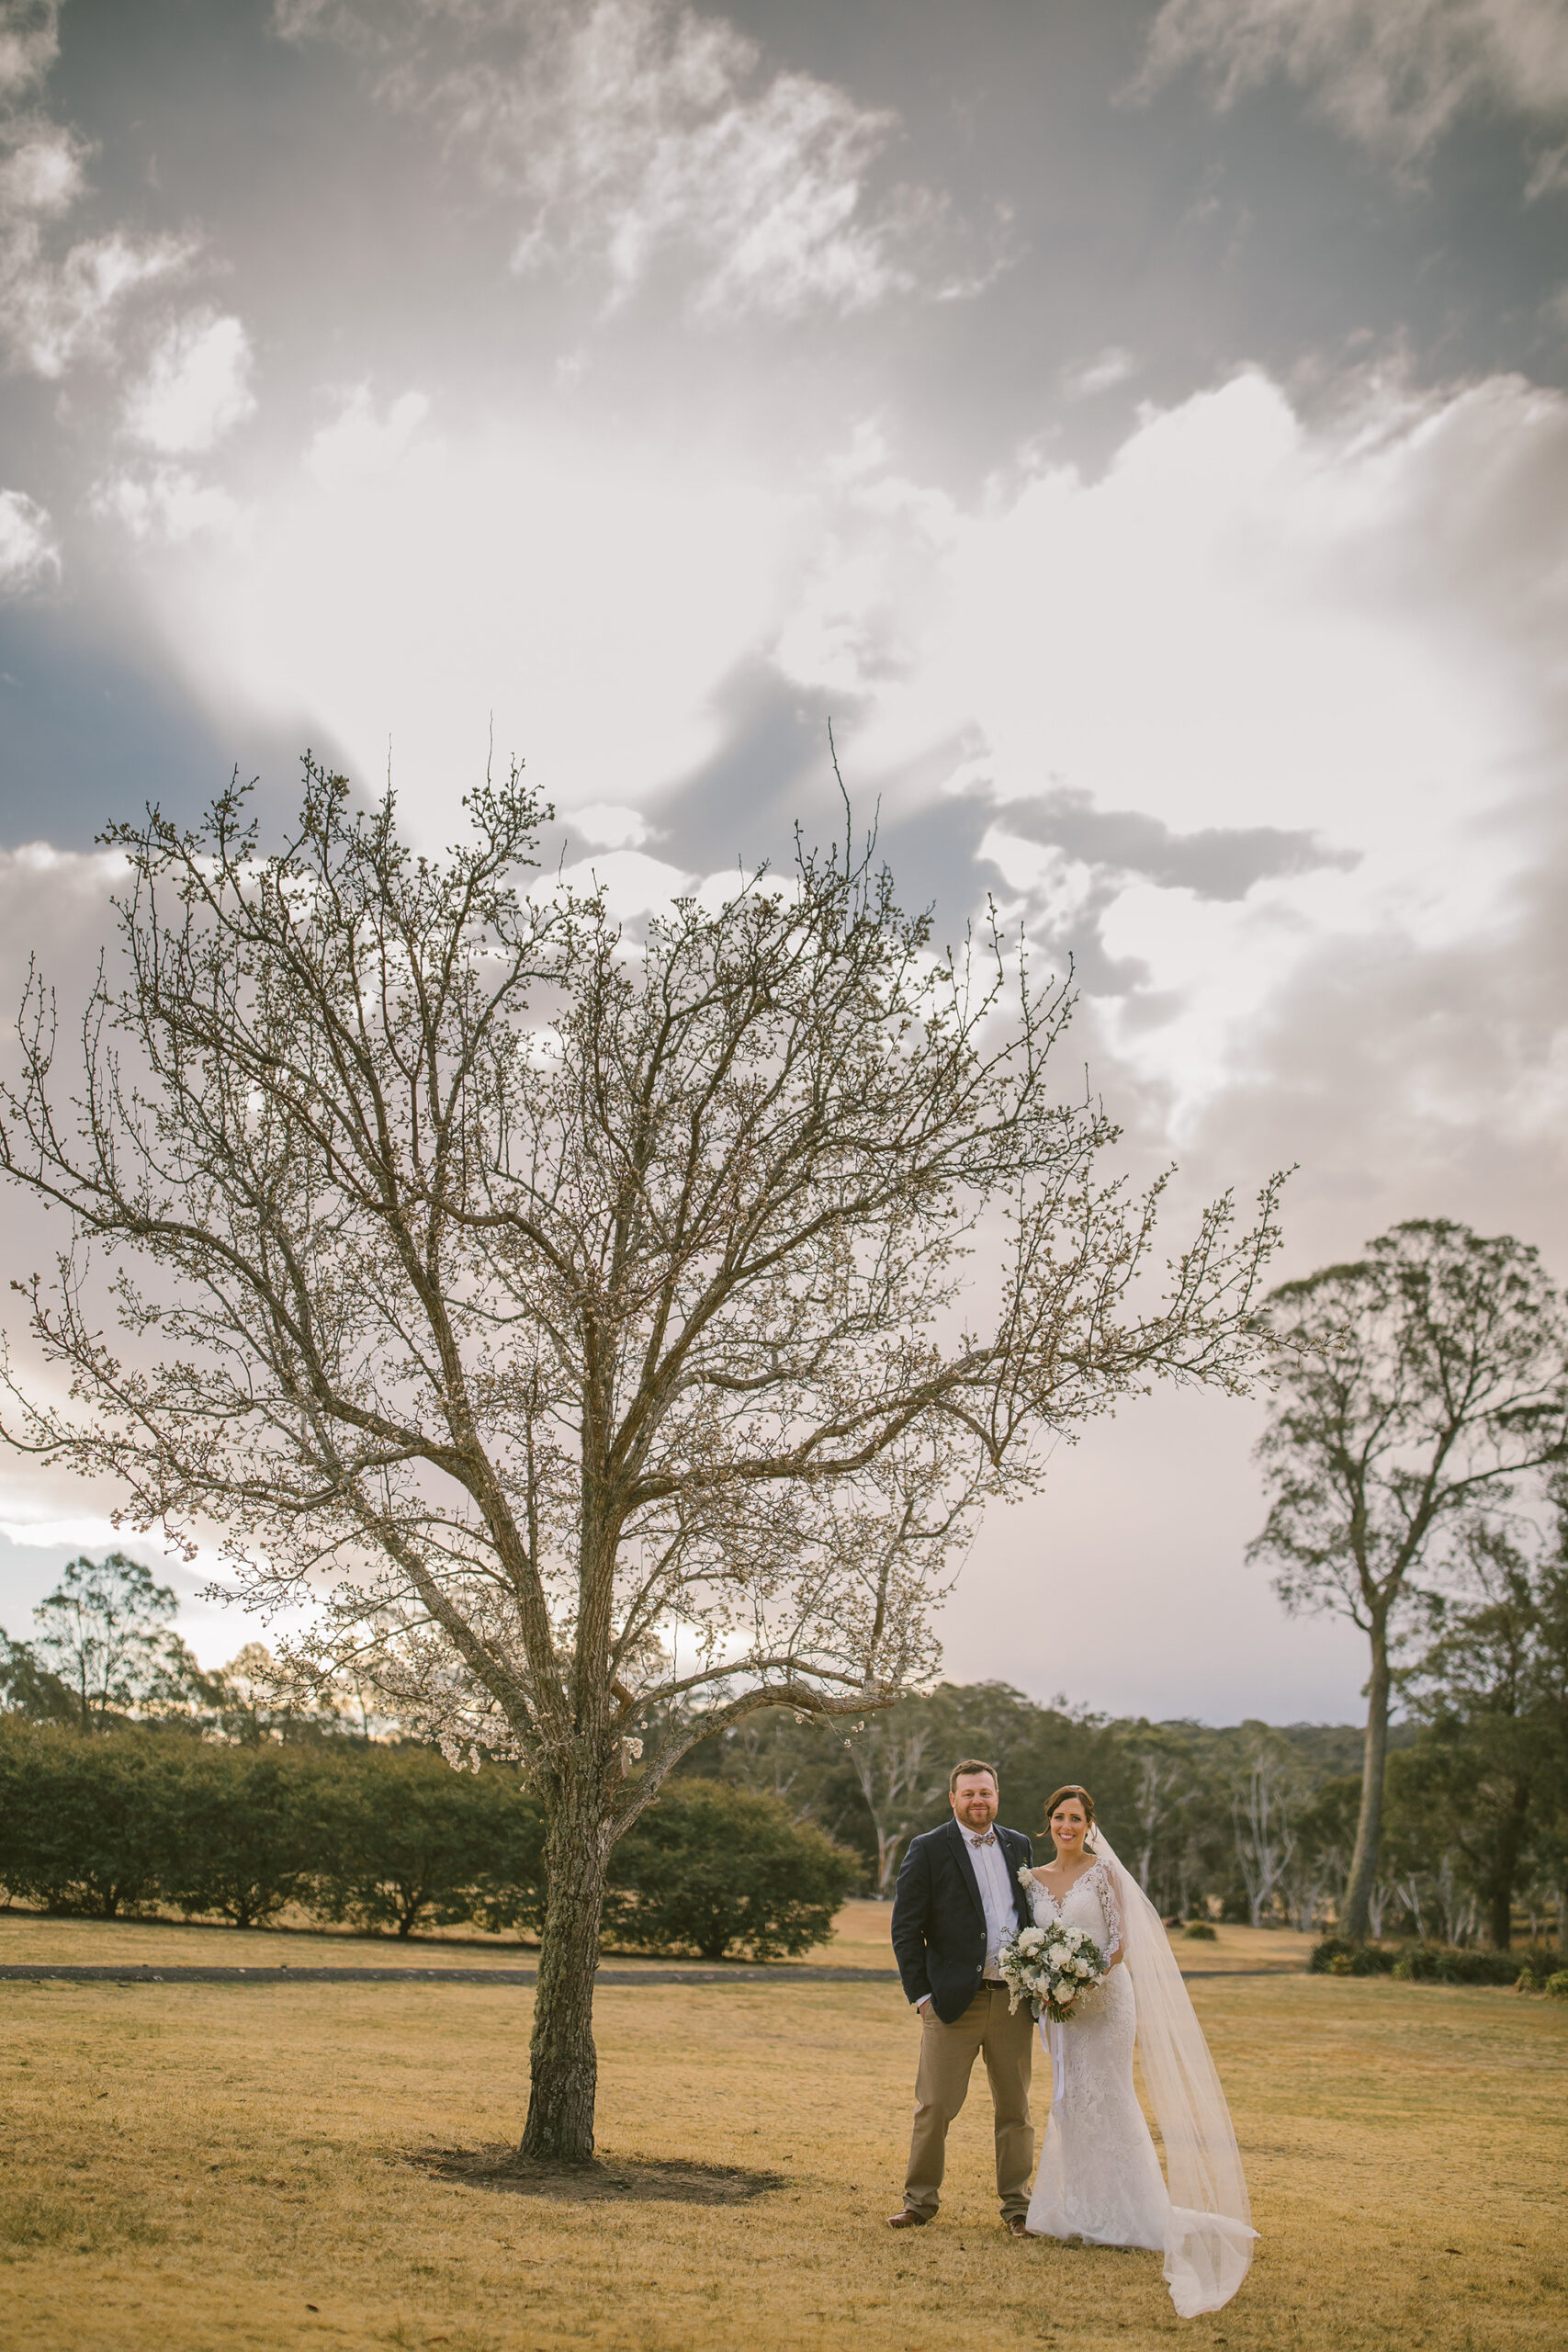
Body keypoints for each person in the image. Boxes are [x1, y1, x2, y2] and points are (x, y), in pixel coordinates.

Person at [1021, 1784, 1256, 2318]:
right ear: (1047, 1822)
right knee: (1070, 2099)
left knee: (1109, 2094)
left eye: (1076, 1818)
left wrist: (1082, 1980)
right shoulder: (1031, 1880)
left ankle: (1132, 2216)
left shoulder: (1103, 1874)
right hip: (1058, 2010)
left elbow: (1120, 1940)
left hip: (1104, 2002)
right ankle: (1072, 2210)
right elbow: (1027, 1942)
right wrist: (1045, 1981)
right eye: (1058, 1817)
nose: (1067, 1826)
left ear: (1089, 1824)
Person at [887, 1758, 1036, 2234]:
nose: (978, 1801)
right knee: (935, 2106)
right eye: (969, 1793)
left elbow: (1029, 1918)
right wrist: (921, 1996)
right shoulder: (928, 1848)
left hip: (1012, 2001)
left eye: (986, 1793)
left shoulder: (1019, 1845)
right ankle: (918, 2203)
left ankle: (1018, 2209)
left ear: (998, 1796)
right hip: (952, 2004)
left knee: (1015, 2110)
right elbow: (906, 1930)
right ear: (953, 1799)